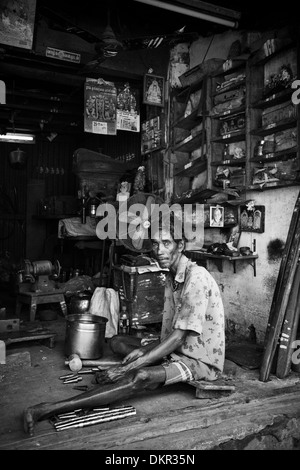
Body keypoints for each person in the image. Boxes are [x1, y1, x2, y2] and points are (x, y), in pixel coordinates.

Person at [23, 213, 225, 436]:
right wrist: (143, 350)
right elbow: (169, 334)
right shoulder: (171, 276)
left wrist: (126, 368)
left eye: (166, 243)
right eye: (155, 244)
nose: (159, 250)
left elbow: (178, 337)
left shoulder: (196, 277)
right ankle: (140, 364)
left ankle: (47, 409)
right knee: (118, 342)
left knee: (140, 377)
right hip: (177, 349)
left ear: (181, 245)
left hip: (198, 360)